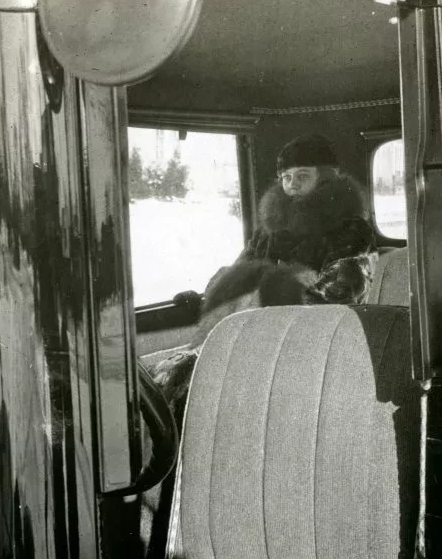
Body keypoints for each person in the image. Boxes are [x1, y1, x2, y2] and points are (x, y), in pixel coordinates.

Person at [152, 133, 378, 422]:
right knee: (170, 382)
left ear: (326, 179)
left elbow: (341, 295)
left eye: (302, 175)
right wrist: (211, 297)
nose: (291, 184)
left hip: (307, 344)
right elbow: (239, 274)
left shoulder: (352, 230)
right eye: (286, 176)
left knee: (204, 392)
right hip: (253, 333)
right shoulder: (268, 231)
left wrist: (266, 304)